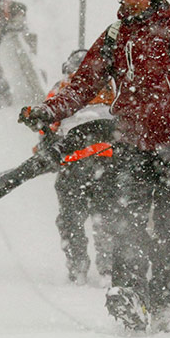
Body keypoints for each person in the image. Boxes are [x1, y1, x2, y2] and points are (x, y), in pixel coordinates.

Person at [18, 0, 170, 333]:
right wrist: (48, 111)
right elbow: (82, 85)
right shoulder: (114, 36)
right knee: (127, 225)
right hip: (131, 148)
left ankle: (168, 308)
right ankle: (130, 295)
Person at [44, 49, 116, 285]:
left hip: (72, 163)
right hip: (106, 160)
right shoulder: (112, 90)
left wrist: (48, 148)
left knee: (70, 217)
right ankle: (108, 267)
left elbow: (47, 126)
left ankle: (78, 266)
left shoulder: (62, 89)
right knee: (105, 214)